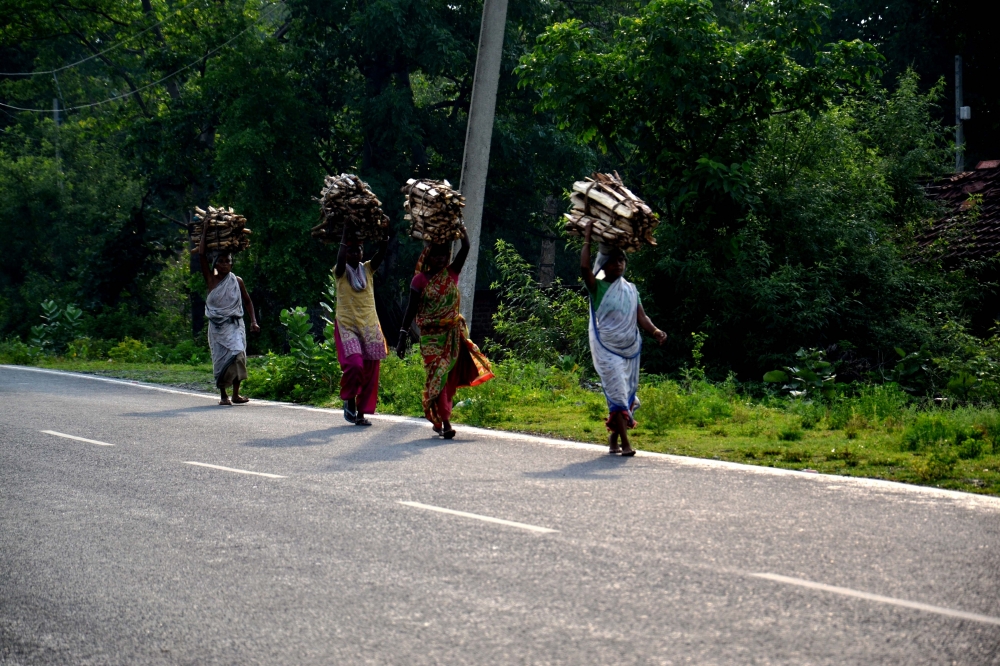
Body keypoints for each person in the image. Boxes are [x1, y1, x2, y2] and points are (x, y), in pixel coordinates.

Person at [395, 227, 493, 438]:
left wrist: (460, 226)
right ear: (428, 257)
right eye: (436, 255)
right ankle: (445, 422)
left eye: (443, 255)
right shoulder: (419, 281)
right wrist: (402, 337)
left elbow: (466, 247)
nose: (440, 259)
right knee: (437, 374)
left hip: (451, 334)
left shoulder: (452, 272)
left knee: (445, 378)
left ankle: (443, 419)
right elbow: (410, 309)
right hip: (430, 337)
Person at [581, 219, 667, 455]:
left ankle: (613, 440)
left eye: (621, 261)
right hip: (607, 349)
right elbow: (585, 269)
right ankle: (626, 444)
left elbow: (642, 316)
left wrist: (656, 331)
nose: (618, 265)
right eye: (613, 261)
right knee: (618, 394)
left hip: (629, 348)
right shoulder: (597, 288)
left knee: (626, 398)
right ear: (604, 266)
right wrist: (588, 238)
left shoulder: (630, 290)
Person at [334, 227, 389, 426]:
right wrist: (345, 231)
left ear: (363, 251)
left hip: (369, 325)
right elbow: (340, 260)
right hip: (348, 326)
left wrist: (384, 239)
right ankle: (349, 399)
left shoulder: (367, 269)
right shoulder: (339, 271)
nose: (354, 254)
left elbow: (380, 255)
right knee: (354, 365)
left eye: (358, 250)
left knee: (370, 372)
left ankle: (361, 413)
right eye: (350, 250)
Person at [198, 229, 259, 406]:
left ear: (232, 264)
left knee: (238, 355)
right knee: (221, 360)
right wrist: (205, 231)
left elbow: (247, 301)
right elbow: (201, 255)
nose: (225, 264)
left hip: (235, 325)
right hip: (218, 327)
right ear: (215, 264)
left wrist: (253, 320)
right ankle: (223, 395)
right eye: (221, 261)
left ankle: (236, 394)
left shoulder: (237, 281)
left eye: (228, 261)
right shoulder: (211, 279)